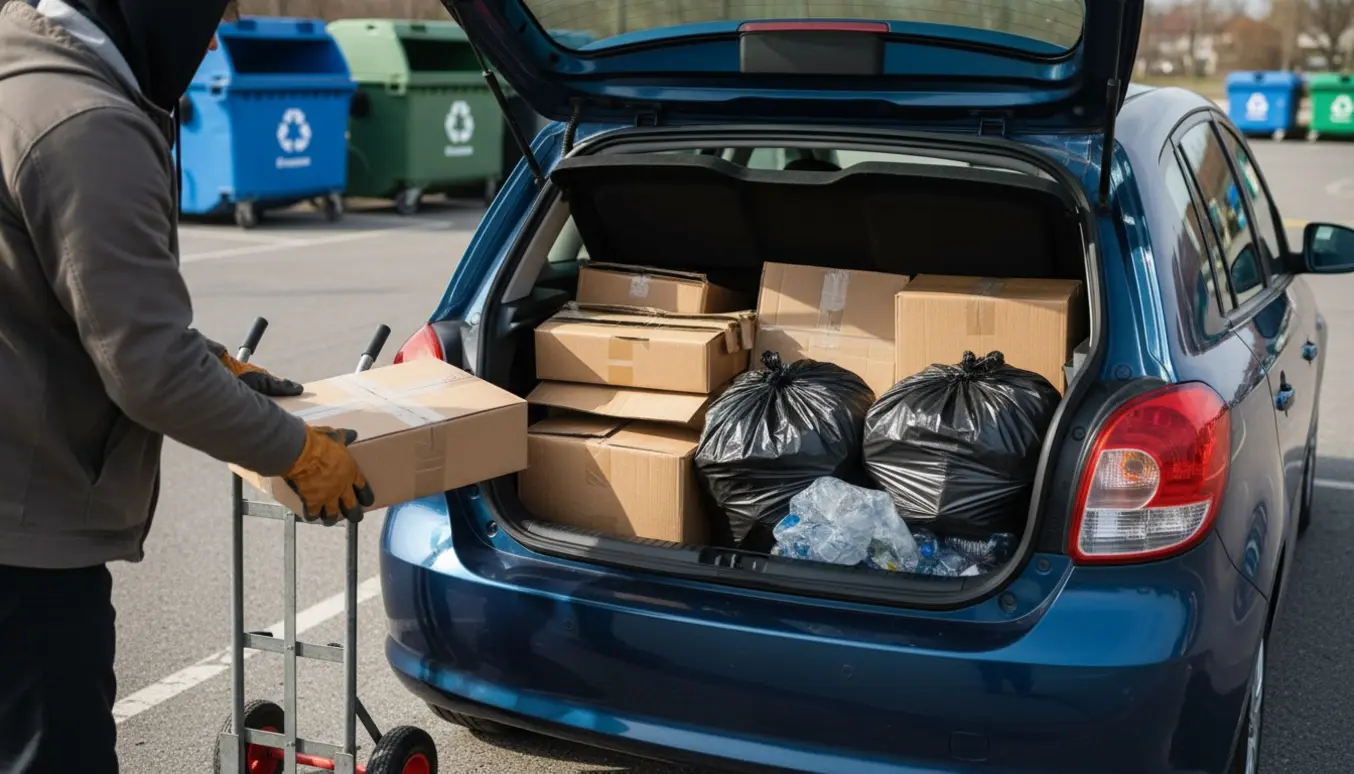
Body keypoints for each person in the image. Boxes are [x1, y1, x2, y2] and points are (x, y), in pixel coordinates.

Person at [0, 1, 376, 771]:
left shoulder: (19, 67)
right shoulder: (86, 122)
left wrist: (210, 360)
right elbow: (149, 370)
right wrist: (296, 453)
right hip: (22, 547)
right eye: (209, 12)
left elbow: (53, 293)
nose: (212, 38)